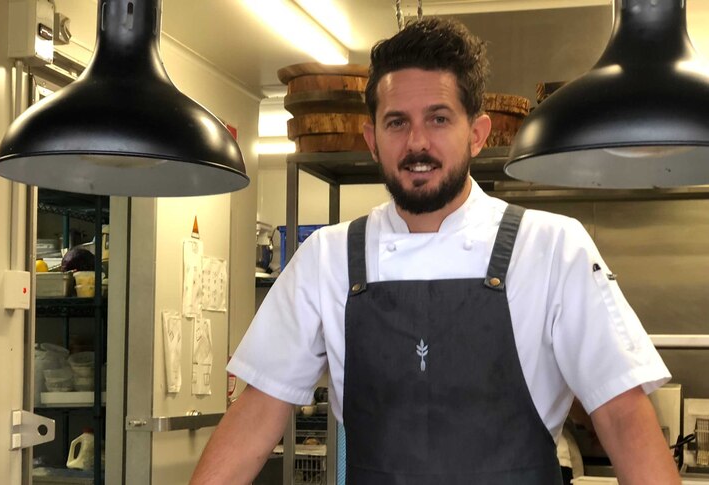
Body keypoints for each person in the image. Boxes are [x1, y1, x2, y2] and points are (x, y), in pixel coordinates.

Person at [191, 17, 680, 485]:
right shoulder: (328, 257)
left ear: (478, 133)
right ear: (372, 140)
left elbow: (621, 414)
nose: (417, 142)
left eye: (439, 119)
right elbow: (257, 412)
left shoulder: (552, 246)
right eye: (397, 122)